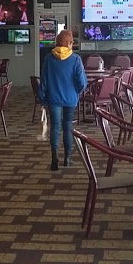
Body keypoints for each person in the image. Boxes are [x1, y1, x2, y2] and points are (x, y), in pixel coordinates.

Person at [39, 29, 87, 171]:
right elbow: (82, 83)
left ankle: (54, 157)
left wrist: (42, 99)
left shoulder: (48, 58)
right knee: (67, 126)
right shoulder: (76, 59)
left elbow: (44, 81)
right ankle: (67, 158)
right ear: (70, 43)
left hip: (53, 99)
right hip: (71, 98)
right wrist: (76, 91)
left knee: (55, 127)